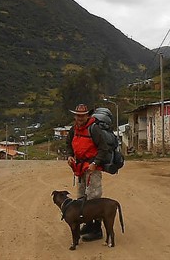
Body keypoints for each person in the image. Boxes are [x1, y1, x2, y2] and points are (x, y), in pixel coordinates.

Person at [66, 103, 109, 242]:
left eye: (83, 115)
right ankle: (88, 225)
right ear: (75, 116)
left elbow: (103, 147)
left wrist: (95, 163)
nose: (80, 118)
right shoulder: (74, 129)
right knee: (82, 196)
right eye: (78, 115)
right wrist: (70, 155)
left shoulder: (93, 129)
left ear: (87, 115)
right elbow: (68, 144)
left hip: (92, 169)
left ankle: (97, 230)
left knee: (94, 198)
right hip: (80, 168)